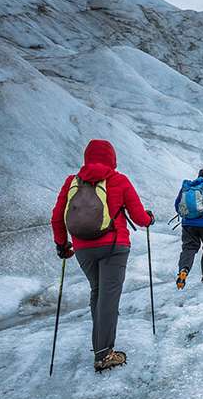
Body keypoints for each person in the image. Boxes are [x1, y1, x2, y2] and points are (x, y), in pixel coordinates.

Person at [50, 139, 154, 372]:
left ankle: (100, 345)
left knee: (97, 292)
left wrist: (61, 244)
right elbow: (139, 217)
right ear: (112, 158)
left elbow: (57, 217)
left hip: (83, 248)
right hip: (114, 246)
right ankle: (104, 354)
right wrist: (149, 219)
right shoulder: (118, 180)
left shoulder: (72, 182)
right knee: (108, 297)